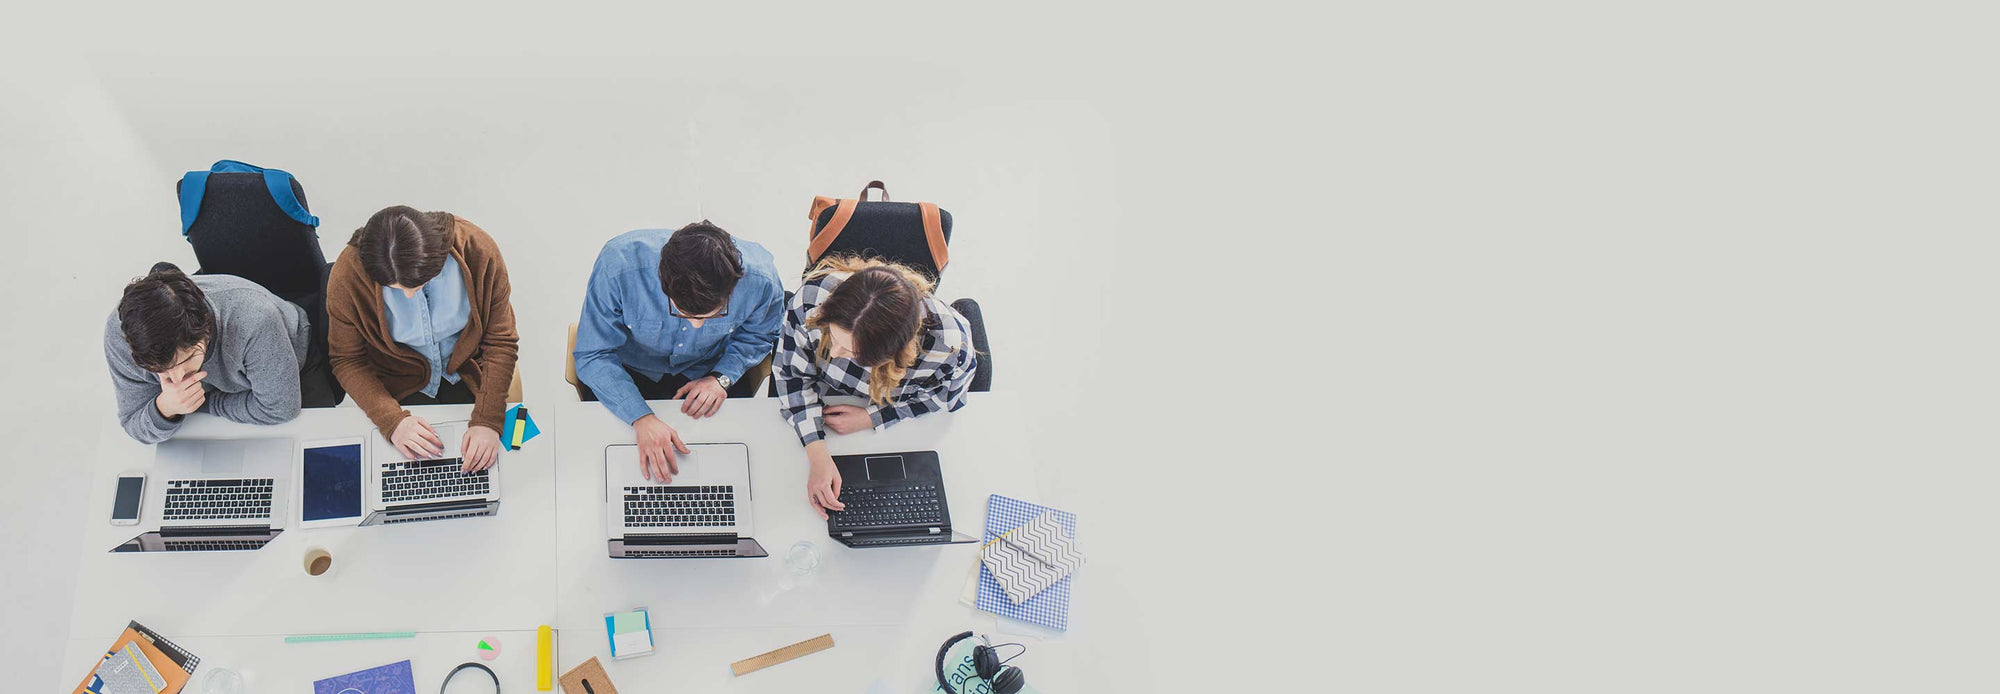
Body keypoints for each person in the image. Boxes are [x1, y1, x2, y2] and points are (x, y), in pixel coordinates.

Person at [574, 221, 784, 483]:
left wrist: (722, 377)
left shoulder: (761, 280)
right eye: (683, 312)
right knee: (619, 474)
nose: (696, 324)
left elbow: (760, 335)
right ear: (663, 282)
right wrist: (641, 418)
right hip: (630, 372)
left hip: (710, 369)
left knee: (729, 472)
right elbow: (593, 353)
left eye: (713, 315)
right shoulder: (618, 266)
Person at [775, 256, 978, 518]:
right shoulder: (813, 298)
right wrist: (817, 453)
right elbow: (791, 376)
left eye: (852, 351)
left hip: (892, 435)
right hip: (827, 408)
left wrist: (873, 417)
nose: (834, 352)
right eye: (832, 336)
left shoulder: (950, 346)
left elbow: (942, 399)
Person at [328, 206, 519, 472]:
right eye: (394, 289)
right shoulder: (348, 274)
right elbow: (347, 360)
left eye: (416, 286)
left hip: (469, 376)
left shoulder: (478, 249)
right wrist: (391, 421)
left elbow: (500, 341)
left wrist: (488, 420)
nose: (407, 296)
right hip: (398, 387)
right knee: (407, 479)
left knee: (504, 467)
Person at [104, 263, 312, 443]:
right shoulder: (120, 335)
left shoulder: (255, 320)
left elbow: (281, 408)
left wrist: (203, 404)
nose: (177, 379)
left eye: (186, 360)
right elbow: (132, 421)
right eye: (160, 370)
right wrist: (165, 407)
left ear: (206, 330)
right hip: (231, 395)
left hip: (292, 357)